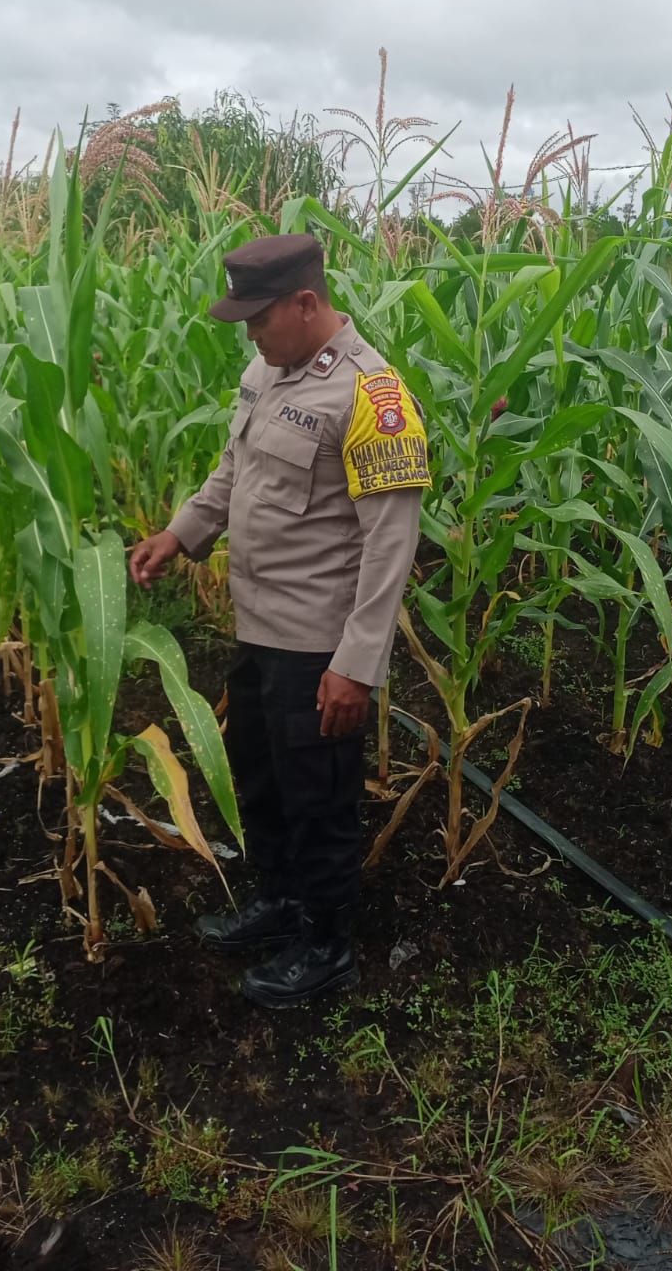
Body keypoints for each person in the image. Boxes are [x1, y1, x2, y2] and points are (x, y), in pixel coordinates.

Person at [129, 233, 428, 1007]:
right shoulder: (267, 369)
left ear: (305, 303)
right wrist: (181, 533)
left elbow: (391, 544)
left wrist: (355, 666)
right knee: (259, 780)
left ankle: (326, 945)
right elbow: (233, 473)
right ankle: (278, 902)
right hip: (258, 630)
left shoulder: (373, 398)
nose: (249, 334)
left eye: (258, 318)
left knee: (319, 797)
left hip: (318, 648)